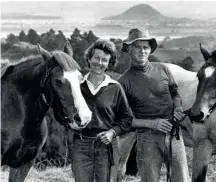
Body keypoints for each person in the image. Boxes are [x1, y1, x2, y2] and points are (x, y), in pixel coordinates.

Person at [118, 28, 190, 182]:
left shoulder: (163, 69)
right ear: (129, 49)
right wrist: (153, 124)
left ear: (150, 50)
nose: (142, 51)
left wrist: (178, 107)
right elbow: (123, 120)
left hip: (173, 135)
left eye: (145, 47)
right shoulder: (123, 82)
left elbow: (175, 92)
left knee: (182, 179)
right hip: (146, 140)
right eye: (137, 47)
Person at [71, 39, 133, 182]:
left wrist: (113, 132)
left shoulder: (115, 87)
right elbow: (65, 110)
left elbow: (127, 119)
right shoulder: (78, 86)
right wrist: (70, 124)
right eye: (96, 58)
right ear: (89, 58)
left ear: (109, 63)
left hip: (106, 147)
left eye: (104, 60)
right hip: (81, 146)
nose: (99, 63)